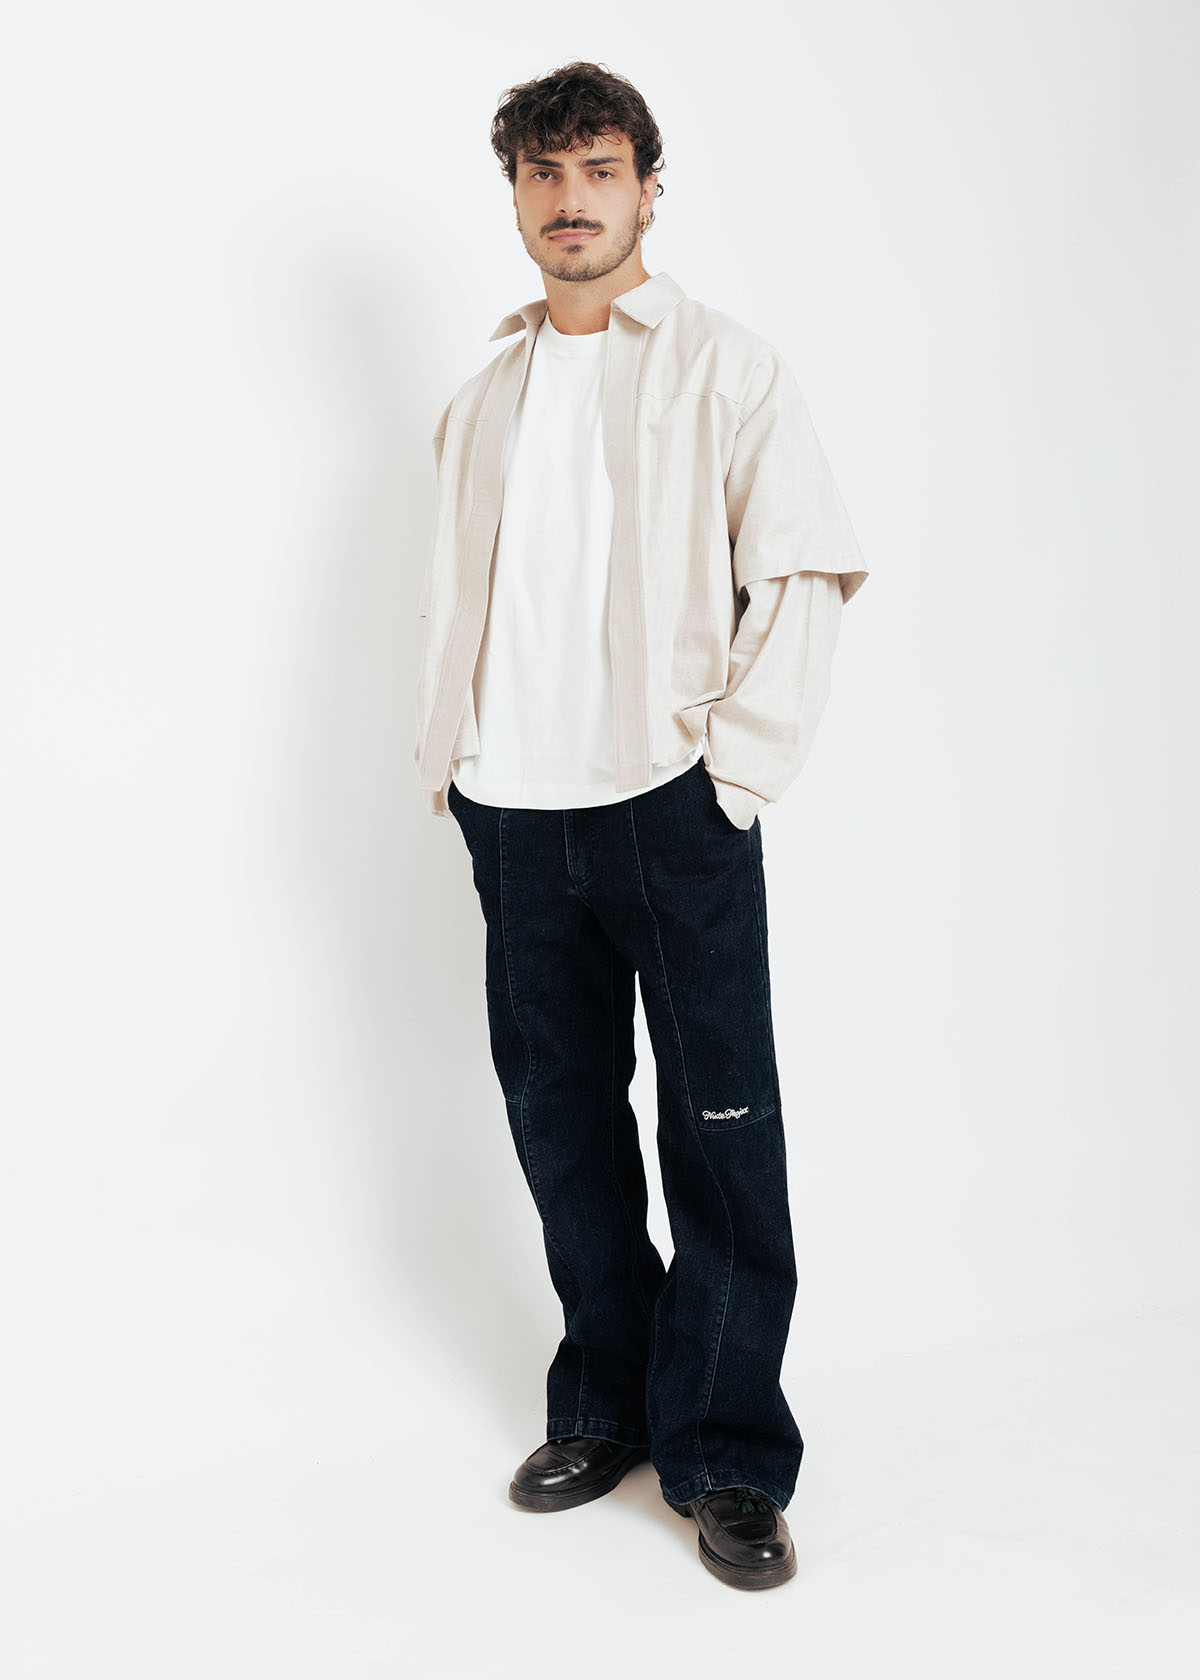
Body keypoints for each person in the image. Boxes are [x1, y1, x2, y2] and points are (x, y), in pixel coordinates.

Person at [414, 60, 868, 1591]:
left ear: (649, 190)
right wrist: (452, 762)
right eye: (543, 174)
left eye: (598, 169)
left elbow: (802, 568)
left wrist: (730, 773)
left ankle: (728, 1453)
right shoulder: (483, 397)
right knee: (564, 1126)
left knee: (720, 1127)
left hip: (669, 804)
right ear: (516, 198)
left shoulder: (725, 368)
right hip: (514, 812)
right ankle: (605, 1401)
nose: (571, 200)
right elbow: (461, 595)